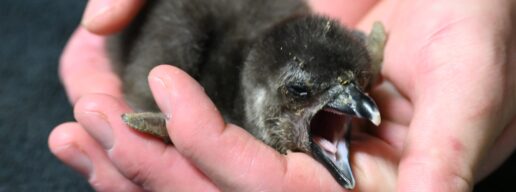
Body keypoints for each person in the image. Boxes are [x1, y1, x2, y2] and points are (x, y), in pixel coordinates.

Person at [49, 0, 516, 191]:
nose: (358, 106)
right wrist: (160, 120)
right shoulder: (184, 42)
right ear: (260, 92)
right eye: (297, 94)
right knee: (167, 57)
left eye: (355, 86)